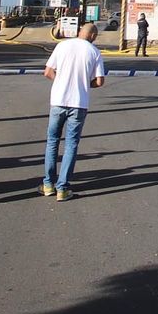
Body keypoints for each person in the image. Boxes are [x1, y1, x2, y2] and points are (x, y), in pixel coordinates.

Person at [42, 21, 105, 201]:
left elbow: (47, 72)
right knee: (71, 144)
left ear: (79, 32)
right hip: (79, 103)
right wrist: (85, 84)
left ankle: (48, 184)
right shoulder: (94, 52)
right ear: (92, 36)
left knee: (52, 141)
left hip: (58, 101)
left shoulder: (62, 45)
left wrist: (60, 81)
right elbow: (100, 81)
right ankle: (62, 188)